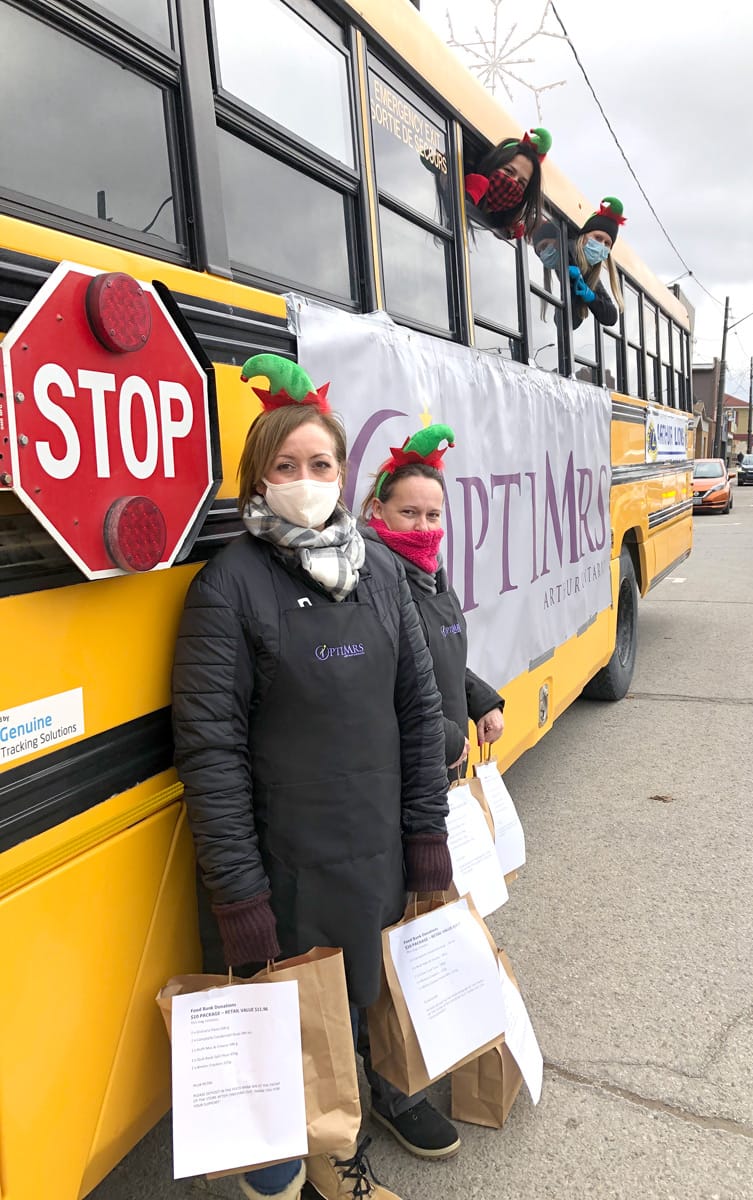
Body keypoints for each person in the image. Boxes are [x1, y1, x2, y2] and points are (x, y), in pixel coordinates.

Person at [172, 353, 453, 1200]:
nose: (304, 480)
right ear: (257, 479)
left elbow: (418, 708)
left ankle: (354, 1125)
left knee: (360, 990)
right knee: (289, 1020)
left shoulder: (379, 577)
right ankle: (295, 1153)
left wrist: (426, 830)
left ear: (344, 473)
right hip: (281, 862)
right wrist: (238, 894)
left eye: (320, 464)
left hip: (370, 844)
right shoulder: (229, 587)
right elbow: (211, 751)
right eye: (284, 467)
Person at [360, 424, 506, 777]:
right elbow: (380, 689)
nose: (424, 528)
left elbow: (440, 660)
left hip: (447, 758)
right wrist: (441, 738)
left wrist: (481, 701)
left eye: (433, 515)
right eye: (409, 513)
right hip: (409, 767)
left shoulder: (433, 572)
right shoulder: (369, 579)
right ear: (379, 510)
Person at [534, 196, 627, 329]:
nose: (601, 245)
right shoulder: (569, 250)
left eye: (607, 244)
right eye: (598, 238)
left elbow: (610, 316)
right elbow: (565, 323)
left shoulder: (586, 269)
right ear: (582, 237)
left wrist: (588, 296)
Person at [463, 127, 552, 240]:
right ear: (494, 164)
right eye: (509, 171)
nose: (513, 181)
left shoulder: (503, 233)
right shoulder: (464, 183)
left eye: (521, 183)